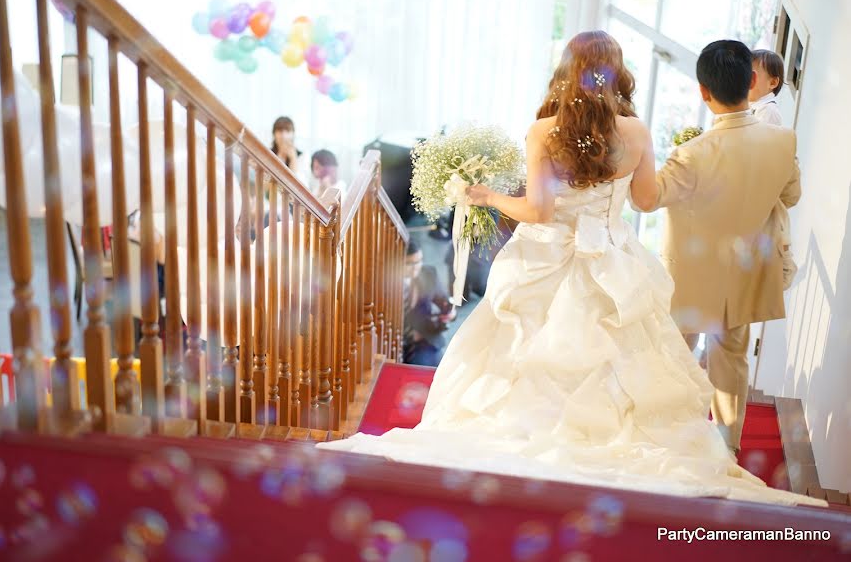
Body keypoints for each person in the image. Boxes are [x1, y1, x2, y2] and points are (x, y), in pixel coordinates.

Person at [318, 32, 820, 507]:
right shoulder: (637, 133)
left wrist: (485, 195)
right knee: (618, 361)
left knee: (522, 356)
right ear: (617, 74)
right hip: (613, 261)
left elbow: (537, 211)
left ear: (568, 73)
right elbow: (646, 201)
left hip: (545, 259)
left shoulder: (544, 132)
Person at [639, 40, 801, 457]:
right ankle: (727, 445)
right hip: (745, 271)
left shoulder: (691, 154)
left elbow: (648, 199)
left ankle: (666, 432)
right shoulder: (783, 142)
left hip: (691, 276)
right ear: (750, 81)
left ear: (702, 91)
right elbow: (792, 195)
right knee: (732, 356)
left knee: (675, 351)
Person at [750, 49, 797, 289]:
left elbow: (760, 152)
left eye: (752, 75)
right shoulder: (755, 109)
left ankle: (782, 263)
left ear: (773, 82)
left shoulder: (768, 111)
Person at [402, 240, 455, 367]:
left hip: (424, 339)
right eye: (409, 263)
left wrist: (451, 313)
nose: (416, 267)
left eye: (419, 261)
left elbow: (445, 302)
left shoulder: (428, 273)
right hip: (393, 342)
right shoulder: (383, 282)